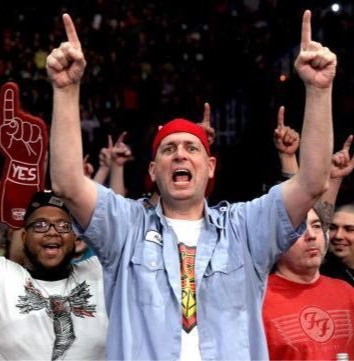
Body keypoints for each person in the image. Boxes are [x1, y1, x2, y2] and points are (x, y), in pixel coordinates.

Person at [46, 10, 336, 360]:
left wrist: (319, 92)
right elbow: (66, 184)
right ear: (153, 171)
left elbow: (313, 182)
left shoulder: (245, 229)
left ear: (210, 167)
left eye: (191, 148)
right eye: (169, 149)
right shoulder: (126, 228)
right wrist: (65, 90)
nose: (180, 155)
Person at [263, 108, 354, 359]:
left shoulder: (347, 293)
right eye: (300, 230)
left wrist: (334, 179)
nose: (312, 235)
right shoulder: (257, 298)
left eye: (317, 227)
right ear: (277, 239)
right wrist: (288, 160)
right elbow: (294, 208)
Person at [0, 190, 107, 360]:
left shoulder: (99, 273)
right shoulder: (0, 276)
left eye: (63, 226)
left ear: (74, 236)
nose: (52, 232)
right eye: (39, 225)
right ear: (24, 236)